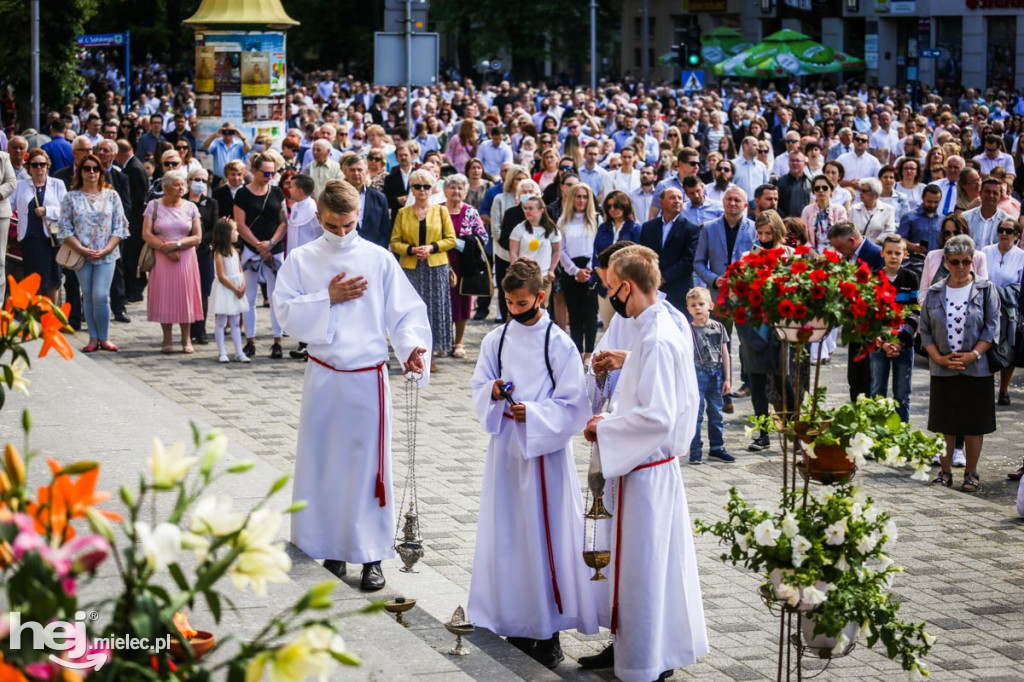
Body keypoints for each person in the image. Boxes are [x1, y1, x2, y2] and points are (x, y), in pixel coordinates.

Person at [273, 178, 430, 592]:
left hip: (367, 378)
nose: (342, 233)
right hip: (324, 374)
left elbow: (404, 313)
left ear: (358, 216)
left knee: (368, 471)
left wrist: (412, 348)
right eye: (333, 226)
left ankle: (372, 556)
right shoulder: (302, 259)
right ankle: (332, 548)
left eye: (349, 225)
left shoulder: (377, 259)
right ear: (319, 216)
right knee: (325, 464)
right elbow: (285, 312)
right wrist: (327, 297)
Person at [583, 244, 708, 682]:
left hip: (648, 471)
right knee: (650, 567)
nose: (607, 296)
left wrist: (605, 427)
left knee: (645, 571)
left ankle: (645, 664)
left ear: (626, 286)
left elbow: (657, 415)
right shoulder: (650, 328)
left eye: (609, 288)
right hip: (648, 470)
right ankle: (644, 652)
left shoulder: (658, 333)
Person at [467, 258, 599, 669]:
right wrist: (493, 391)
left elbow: (575, 404)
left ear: (540, 297)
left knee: (546, 538)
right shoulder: (497, 339)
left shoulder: (557, 342)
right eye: (507, 301)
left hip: (544, 455)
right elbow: (478, 385)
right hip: (506, 451)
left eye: (521, 302)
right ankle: (514, 620)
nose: (513, 309)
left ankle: (550, 630)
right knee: (508, 536)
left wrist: (536, 414)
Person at [920, 235, 999, 493]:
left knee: (976, 422)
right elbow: (925, 330)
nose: (961, 267)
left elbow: (992, 327)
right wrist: (939, 357)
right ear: (946, 262)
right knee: (945, 422)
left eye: (967, 261)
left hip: (977, 366)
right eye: (955, 262)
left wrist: (973, 355)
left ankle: (971, 473)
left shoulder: (986, 289)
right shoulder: (934, 292)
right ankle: (944, 472)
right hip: (944, 366)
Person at [57, 153, 129, 353]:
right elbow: (64, 228)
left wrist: (106, 249)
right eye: (86, 168)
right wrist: (81, 248)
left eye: (95, 168)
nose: (91, 172)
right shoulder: (71, 197)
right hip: (81, 253)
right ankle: (93, 338)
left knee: (100, 295)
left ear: (101, 171)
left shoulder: (111, 195)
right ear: (80, 172)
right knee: (87, 295)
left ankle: (104, 337)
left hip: (106, 253)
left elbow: (120, 227)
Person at [391, 168, 456, 369]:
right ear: (411, 189)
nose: (421, 190)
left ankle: (432, 355)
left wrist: (432, 247)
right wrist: (411, 249)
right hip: (411, 268)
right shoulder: (403, 213)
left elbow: (451, 239)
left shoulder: (441, 211)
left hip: (435, 267)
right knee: (412, 311)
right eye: (417, 186)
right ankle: (412, 352)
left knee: (434, 309)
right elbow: (394, 242)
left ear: (432, 189)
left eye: (426, 186)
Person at [142, 168, 204, 354]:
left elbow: (197, 237)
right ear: (165, 187)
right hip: (161, 257)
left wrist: (176, 245)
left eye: (183, 184)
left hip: (185, 257)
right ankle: (167, 339)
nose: (181, 188)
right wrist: (165, 248)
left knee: (185, 297)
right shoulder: (153, 206)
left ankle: (186, 338)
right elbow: (146, 233)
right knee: (165, 297)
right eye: (176, 185)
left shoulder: (191, 207)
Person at [234, 153, 288, 359]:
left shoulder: (276, 191)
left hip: (274, 249)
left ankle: (277, 340)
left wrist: (271, 243)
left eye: (273, 172)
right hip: (251, 250)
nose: (270, 176)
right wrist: (258, 245)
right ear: (255, 172)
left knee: (276, 297)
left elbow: (284, 221)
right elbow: (240, 224)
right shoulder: (243, 194)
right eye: (266, 173)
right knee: (249, 298)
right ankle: (250, 340)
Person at [828, 221, 884, 400]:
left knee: (869, 377)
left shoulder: (876, 254)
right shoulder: (847, 255)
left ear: (852, 241)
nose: (838, 251)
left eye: (840, 247)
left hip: (872, 325)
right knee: (854, 376)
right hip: (853, 324)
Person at [868, 235, 920, 423]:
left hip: (904, 345)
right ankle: (875, 436)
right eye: (889, 252)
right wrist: (882, 342)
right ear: (882, 253)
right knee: (877, 391)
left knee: (902, 393)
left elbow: (914, 312)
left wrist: (900, 342)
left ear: (905, 255)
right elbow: (868, 315)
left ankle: (900, 437)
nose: (893, 256)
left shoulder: (911, 278)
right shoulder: (873, 277)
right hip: (879, 345)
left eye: (897, 253)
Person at [686, 287, 734, 464]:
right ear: (689, 309)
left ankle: (717, 448)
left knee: (716, 413)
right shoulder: (687, 330)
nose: (697, 308)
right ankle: (695, 450)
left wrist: (728, 378)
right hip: (696, 375)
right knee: (696, 415)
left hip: (716, 374)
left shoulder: (719, 328)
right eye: (693, 305)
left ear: (710, 306)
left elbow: (725, 353)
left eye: (701, 304)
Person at [443, 173, 488, 358]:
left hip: (464, 264)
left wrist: (463, 242)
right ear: (445, 191)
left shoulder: (471, 212)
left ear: (465, 191)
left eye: (460, 188)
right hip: (442, 261)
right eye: (452, 187)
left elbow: (483, 237)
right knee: (443, 302)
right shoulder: (438, 210)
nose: (456, 191)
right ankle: (444, 341)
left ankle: (459, 342)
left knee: (462, 303)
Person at [980, 218, 1024, 405]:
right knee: (985, 345)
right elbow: (980, 278)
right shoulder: (986, 251)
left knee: (1008, 348)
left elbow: (1019, 286)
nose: (1004, 234)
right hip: (985, 306)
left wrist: (997, 291)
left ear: (1017, 235)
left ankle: (1004, 389)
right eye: (1001, 230)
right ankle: (985, 387)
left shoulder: (1021, 256)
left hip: (1009, 310)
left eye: (1009, 231)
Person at [13, 149, 65, 301]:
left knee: (52, 282)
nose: (39, 168)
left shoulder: (57, 184)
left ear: (47, 166)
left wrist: (47, 211)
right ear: (29, 167)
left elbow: (66, 210)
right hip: (31, 240)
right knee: (33, 283)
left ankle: (50, 319)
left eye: (42, 164)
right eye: (34, 165)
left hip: (52, 240)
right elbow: (8, 205)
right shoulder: (20, 185)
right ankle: (35, 320)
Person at [638, 187, 700, 314]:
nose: (677, 201)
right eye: (672, 198)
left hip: (678, 290)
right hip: (651, 289)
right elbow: (641, 255)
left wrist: (663, 278)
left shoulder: (691, 229)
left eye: (680, 198)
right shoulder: (648, 227)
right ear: (661, 202)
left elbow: (689, 260)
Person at [557, 183, 599, 363]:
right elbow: (561, 249)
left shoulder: (597, 219)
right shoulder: (563, 221)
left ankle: (589, 352)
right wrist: (575, 271)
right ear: (571, 198)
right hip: (571, 270)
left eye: (585, 197)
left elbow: (599, 246)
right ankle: (576, 350)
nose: (581, 200)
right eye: (578, 196)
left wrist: (588, 269)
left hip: (591, 269)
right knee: (574, 314)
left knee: (590, 313)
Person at [592, 191, 642, 326]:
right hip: (605, 285)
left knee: (628, 325)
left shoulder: (636, 228)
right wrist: (604, 278)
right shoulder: (603, 228)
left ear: (625, 205)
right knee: (608, 325)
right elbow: (595, 255)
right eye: (609, 207)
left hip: (627, 284)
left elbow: (638, 256)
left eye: (617, 205)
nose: (613, 210)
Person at [209, 218, 251, 364]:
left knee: (235, 321)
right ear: (226, 234)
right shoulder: (218, 254)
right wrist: (235, 289)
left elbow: (240, 270)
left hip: (237, 289)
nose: (237, 233)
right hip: (225, 289)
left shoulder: (234, 251)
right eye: (234, 230)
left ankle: (239, 352)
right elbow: (221, 276)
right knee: (221, 321)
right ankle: (222, 352)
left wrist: (243, 285)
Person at [186, 167, 218, 346]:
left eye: (203, 181)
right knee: (187, 293)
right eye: (196, 179)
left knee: (202, 293)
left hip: (203, 251)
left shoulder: (211, 203)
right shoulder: (181, 201)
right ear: (189, 181)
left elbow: (214, 228)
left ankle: (201, 329)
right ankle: (188, 330)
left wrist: (199, 241)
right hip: (183, 251)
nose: (199, 183)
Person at [509, 196, 562, 297]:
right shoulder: (519, 229)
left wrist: (551, 270)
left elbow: (557, 251)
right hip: (523, 277)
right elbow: (513, 252)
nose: (527, 211)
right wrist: (515, 270)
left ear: (541, 210)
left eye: (531, 208)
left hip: (543, 276)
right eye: (526, 208)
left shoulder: (552, 230)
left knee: (541, 308)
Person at [341, 154, 391, 249]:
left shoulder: (380, 198)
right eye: (352, 170)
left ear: (366, 172)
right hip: (345, 250)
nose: (356, 173)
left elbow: (385, 231)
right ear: (344, 172)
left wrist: (379, 251)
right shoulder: (337, 197)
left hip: (373, 251)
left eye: (360, 170)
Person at [801, 174, 849, 251]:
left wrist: (829, 253)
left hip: (835, 252)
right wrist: (814, 254)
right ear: (813, 192)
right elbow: (803, 237)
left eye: (825, 188)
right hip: (812, 254)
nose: (821, 190)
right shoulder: (807, 210)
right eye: (817, 188)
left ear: (831, 191)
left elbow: (843, 235)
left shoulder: (840, 210)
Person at [850, 177, 896, 245]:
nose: (861, 193)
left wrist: (874, 243)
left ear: (875, 193)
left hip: (879, 248)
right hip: (858, 247)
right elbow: (849, 230)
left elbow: (889, 231)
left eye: (864, 191)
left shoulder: (888, 209)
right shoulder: (854, 209)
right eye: (860, 190)